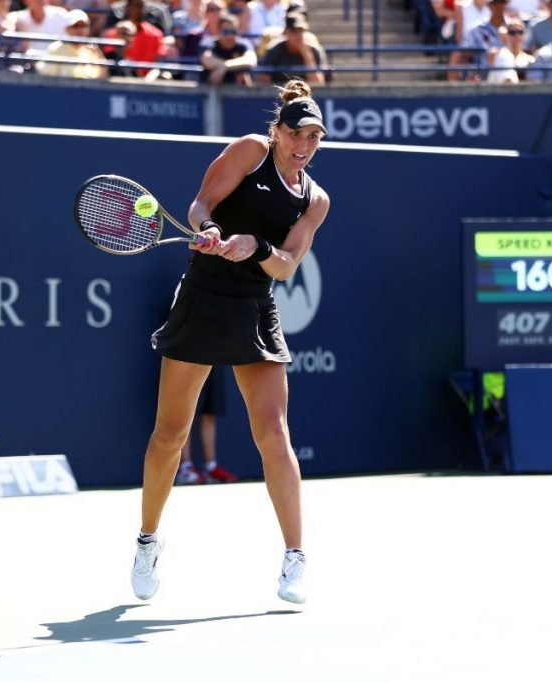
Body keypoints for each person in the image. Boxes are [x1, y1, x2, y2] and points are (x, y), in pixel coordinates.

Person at [130, 79, 330, 606]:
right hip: (203, 294)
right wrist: (212, 230)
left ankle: (295, 557)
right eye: (297, 135)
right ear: (277, 131)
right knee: (170, 436)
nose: (304, 147)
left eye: (314, 138)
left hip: (254, 306)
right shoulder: (249, 150)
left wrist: (254, 245)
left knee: (274, 433)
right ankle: (148, 540)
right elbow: (200, 205)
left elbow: (285, 266)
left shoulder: (315, 200)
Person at [175, 368, 240, 484]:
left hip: (215, 357)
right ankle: (185, 468)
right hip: (187, 355)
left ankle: (210, 467)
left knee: (210, 411)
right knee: (187, 411)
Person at [257, 13, 326, 85]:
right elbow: (263, 82)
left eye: (300, 31)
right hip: (279, 94)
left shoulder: (314, 50)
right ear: (286, 32)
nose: (298, 35)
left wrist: (307, 56)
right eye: (294, 31)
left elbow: (318, 84)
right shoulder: (274, 50)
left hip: (306, 94)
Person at [37, 8, 108, 77]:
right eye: (76, 26)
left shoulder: (93, 51)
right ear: (67, 29)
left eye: (83, 26)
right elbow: (47, 79)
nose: (80, 30)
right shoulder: (56, 48)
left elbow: (103, 78)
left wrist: (99, 55)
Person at [447, 0, 507, 81]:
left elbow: (524, 51)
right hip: (483, 74)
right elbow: (464, 52)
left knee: (504, 57)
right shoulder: (477, 30)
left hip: (512, 70)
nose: (499, 6)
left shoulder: (514, 28)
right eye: (495, 3)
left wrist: (506, 45)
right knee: (456, 54)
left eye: (503, 3)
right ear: (490, 6)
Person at [200, 11, 256, 84]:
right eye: (225, 32)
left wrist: (223, 67)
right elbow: (207, 60)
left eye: (233, 32)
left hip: (238, 92)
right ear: (218, 32)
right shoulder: (209, 43)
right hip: (209, 92)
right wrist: (228, 66)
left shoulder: (243, 44)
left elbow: (251, 60)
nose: (230, 36)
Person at [487, 17, 534, 81]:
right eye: (512, 32)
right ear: (506, 35)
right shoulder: (497, 54)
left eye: (520, 32)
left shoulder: (529, 59)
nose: (517, 35)